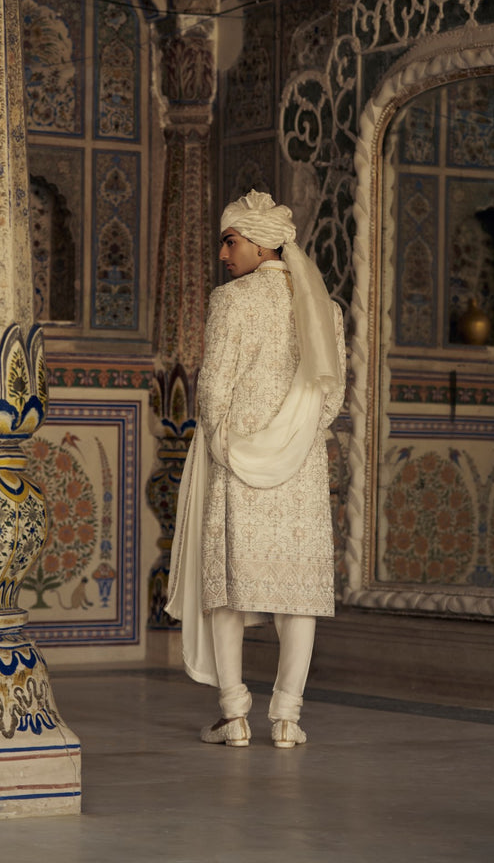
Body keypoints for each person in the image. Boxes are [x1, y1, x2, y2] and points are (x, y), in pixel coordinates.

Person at [166, 189, 346, 748]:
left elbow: (213, 386)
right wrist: (298, 438)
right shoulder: (326, 308)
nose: (223, 254)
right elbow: (332, 394)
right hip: (300, 465)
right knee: (298, 593)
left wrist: (223, 443)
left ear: (262, 243)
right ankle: (288, 718)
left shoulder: (234, 301)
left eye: (231, 241)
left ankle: (234, 713)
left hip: (237, 458)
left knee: (229, 590)